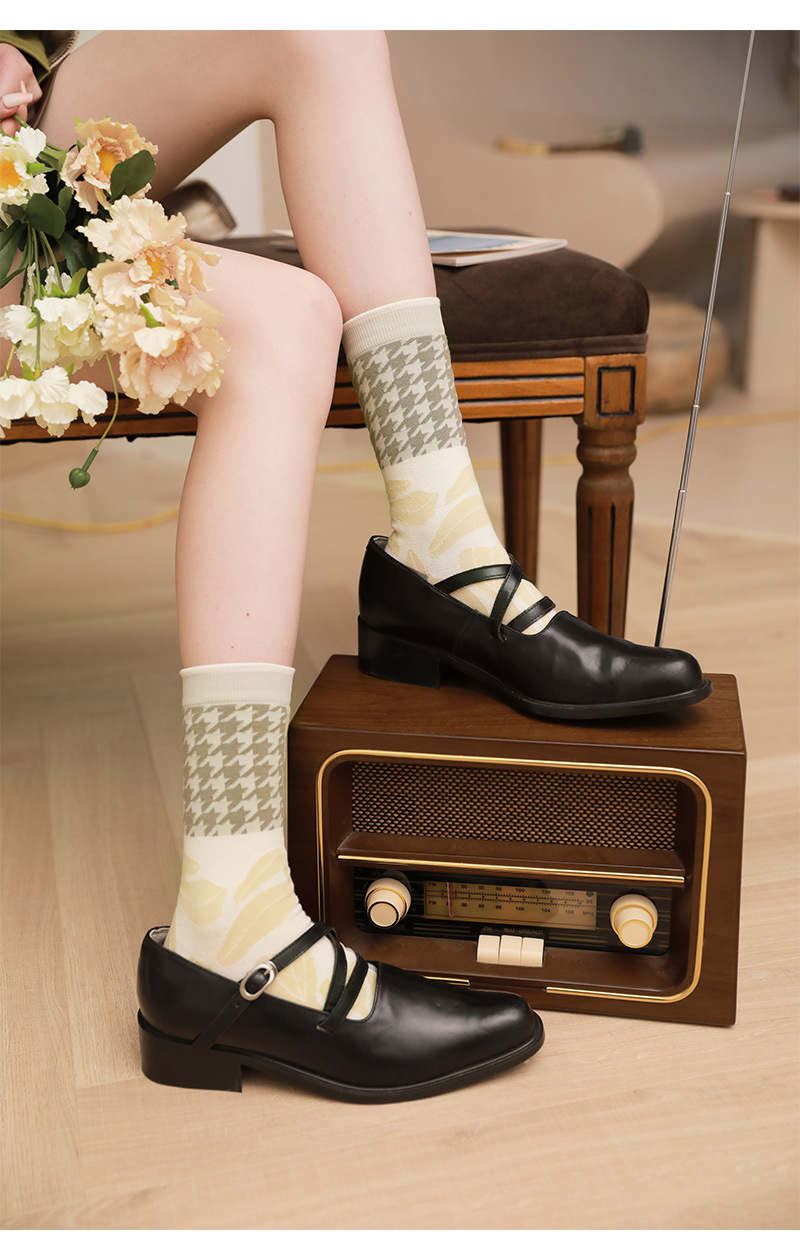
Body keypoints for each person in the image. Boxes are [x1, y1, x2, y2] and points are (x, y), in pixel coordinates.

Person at [0, 31, 708, 1103]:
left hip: (25, 142)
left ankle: (448, 546)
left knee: (316, 24)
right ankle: (231, 914)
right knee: (286, 320)